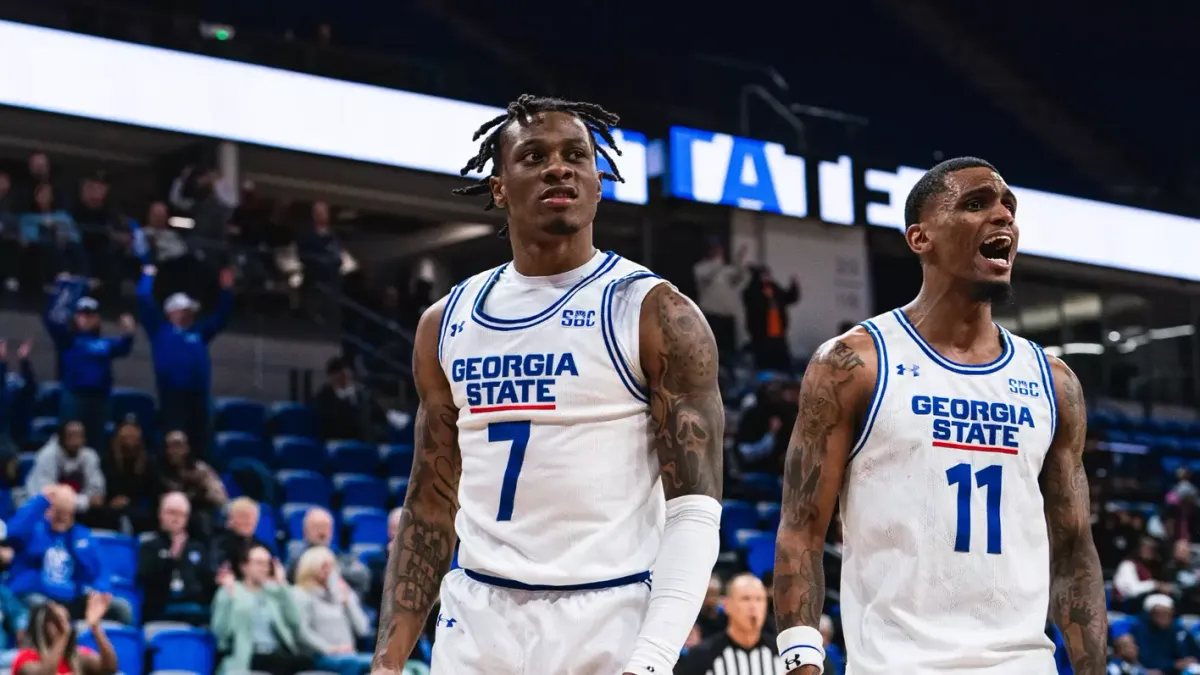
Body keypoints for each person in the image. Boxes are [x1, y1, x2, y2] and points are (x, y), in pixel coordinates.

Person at [370, 94, 724, 675]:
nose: (559, 168)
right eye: (533, 156)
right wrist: (388, 661)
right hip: (479, 618)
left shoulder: (655, 312)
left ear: (598, 181)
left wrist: (654, 659)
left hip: (610, 614)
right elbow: (430, 503)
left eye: (576, 155)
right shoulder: (445, 322)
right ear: (499, 187)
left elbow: (694, 511)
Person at [772, 157, 1107, 674]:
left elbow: (1074, 549)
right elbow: (801, 530)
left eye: (1008, 207)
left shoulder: (1053, 382)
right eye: (976, 204)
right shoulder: (854, 363)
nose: (1003, 217)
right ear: (919, 237)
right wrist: (801, 661)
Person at [136, 264, 234, 461]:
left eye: (190, 310)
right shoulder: (160, 331)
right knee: (174, 438)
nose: (189, 314)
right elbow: (144, 300)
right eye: (184, 310)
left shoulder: (199, 332)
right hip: (172, 394)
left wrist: (226, 291)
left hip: (198, 394)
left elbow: (221, 317)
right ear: (171, 311)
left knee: (200, 440)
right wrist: (148, 276)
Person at [43, 294, 135, 450]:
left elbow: (124, 347)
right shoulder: (68, 339)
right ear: (76, 317)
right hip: (74, 396)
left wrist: (129, 333)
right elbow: (51, 320)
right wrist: (63, 292)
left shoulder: (105, 343)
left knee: (95, 443)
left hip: (100, 399)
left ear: (97, 318)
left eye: (90, 315)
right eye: (82, 315)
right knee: (67, 441)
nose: (85, 319)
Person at [211, 543, 309, 675]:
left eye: (267, 564)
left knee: (306, 663)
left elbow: (295, 622)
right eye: (259, 563)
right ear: (244, 566)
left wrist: (283, 586)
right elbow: (219, 633)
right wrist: (228, 598)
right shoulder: (231, 591)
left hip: (277, 653)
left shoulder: (275, 592)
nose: (264, 568)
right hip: (249, 655)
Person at [674, 573, 783, 675]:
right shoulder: (701, 656)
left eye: (759, 599)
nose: (753, 606)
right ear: (727, 605)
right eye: (745, 599)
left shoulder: (782, 654)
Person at [292, 547, 372, 675]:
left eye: (331, 565)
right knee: (352, 664)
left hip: (349, 654)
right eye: (324, 566)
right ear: (311, 567)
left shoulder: (342, 592)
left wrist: (347, 602)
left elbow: (363, 629)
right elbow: (302, 632)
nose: (329, 570)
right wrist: (330, 649)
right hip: (318, 655)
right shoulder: (300, 594)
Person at [137, 492, 215, 624]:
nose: (176, 518)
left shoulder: (197, 547)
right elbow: (145, 578)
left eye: (181, 514)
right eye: (171, 512)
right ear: (161, 514)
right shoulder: (149, 545)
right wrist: (172, 557)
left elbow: (205, 582)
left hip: (193, 607)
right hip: (160, 608)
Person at [11, 594, 118, 675]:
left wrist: (95, 627)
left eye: (65, 620)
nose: (63, 626)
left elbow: (109, 668)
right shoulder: (26, 658)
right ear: (42, 625)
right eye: (55, 621)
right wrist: (63, 636)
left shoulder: (76, 657)